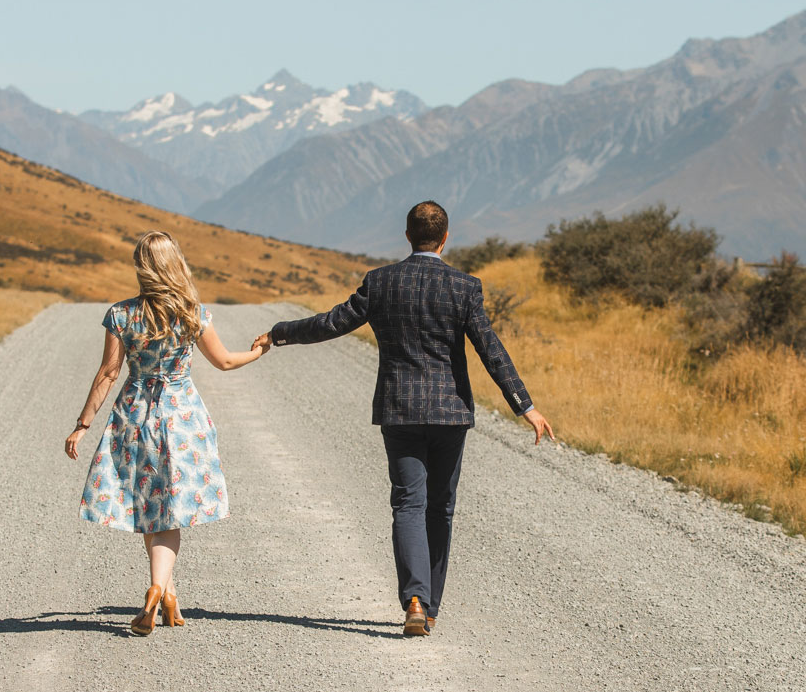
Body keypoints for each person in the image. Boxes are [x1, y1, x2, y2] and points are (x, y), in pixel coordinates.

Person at [261, 200, 553, 637]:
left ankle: (415, 598)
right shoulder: (464, 286)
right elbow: (490, 348)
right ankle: (430, 607)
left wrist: (281, 332)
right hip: (450, 414)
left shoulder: (381, 282)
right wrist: (524, 405)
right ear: (446, 237)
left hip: (399, 410)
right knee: (441, 509)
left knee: (407, 503)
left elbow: (331, 323)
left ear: (406, 235)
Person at [66, 231, 270, 636]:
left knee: (148, 503)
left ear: (142, 267)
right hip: (182, 418)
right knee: (169, 510)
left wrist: (82, 424)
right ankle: (162, 588)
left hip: (135, 415)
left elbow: (109, 373)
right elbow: (226, 362)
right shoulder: (194, 313)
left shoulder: (121, 315)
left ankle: (164, 591)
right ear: (175, 263)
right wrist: (262, 349)